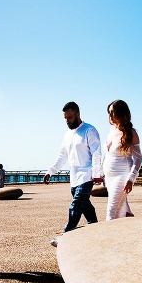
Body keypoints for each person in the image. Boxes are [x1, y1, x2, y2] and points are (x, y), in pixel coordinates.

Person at [43, 102, 103, 247]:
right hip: (74, 178)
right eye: (65, 118)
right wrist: (51, 171)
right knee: (86, 207)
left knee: (75, 206)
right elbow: (62, 156)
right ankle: (97, 231)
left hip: (87, 176)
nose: (67, 121)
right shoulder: (67, 135)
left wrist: (96, 173)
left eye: (69, 117)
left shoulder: (89, 130)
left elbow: (97, 152)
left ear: (78, 114)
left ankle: (65, 236)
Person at [103, 100, 142, 220]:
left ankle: (107, 238)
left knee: (111, 212)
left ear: (121, 113)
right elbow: (107, 155)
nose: (110, 116)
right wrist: (99, 173)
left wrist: (131, 178)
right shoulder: (112, 130)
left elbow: (138, 157)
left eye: (112, 112)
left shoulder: (131, 132)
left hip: (122, 176)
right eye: (109, 113)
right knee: (120, 211)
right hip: (109, 177)